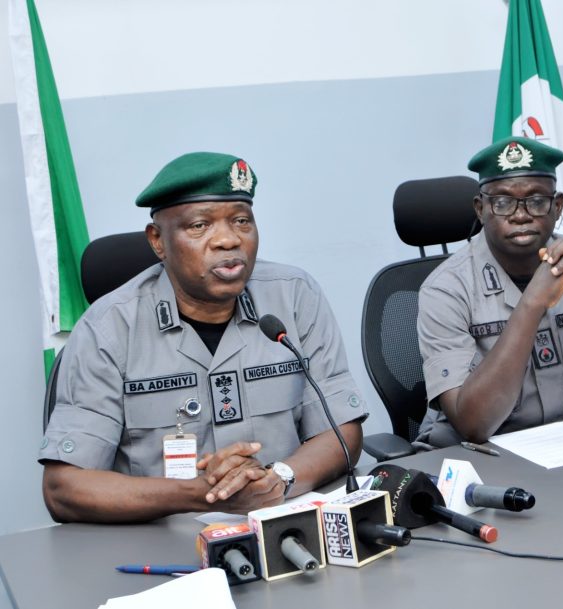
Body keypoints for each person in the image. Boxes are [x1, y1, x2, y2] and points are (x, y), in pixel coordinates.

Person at [39, 152, 367, 523]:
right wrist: (203, 495)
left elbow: (343, 431)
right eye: (199, 226)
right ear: (158, 241)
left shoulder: (294, 296)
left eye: (241, 220)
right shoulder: (108, 327)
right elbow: (63, 488)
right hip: (159, 539)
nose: (228, 240)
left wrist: (279, 479)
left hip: (279, 522)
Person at [415, 136, 563, 448]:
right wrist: (532, 303)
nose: (520, 215)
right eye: (502, 202)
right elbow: (473, 425)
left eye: (537, 200)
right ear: (480, 209)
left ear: (557, 207)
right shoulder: (445, 289)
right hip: (471, 456)